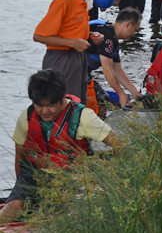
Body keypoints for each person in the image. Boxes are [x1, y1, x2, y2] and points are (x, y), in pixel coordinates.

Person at [0, 69, 119, 223]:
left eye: (50, 105)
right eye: (39, 105)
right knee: (14, 206)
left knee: (47, 215)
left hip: (69, 177)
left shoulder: (83, 117)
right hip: (34, 175)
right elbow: (20, 157)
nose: (44, 111)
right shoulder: (27, 116)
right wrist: (22, 192)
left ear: (62, 99)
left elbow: (119, 144)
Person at [33, 0, 106, 103]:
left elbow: (70, 30)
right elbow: (39, 35)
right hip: (61, 59)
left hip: (78, 57)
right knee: (62, 105)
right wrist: (73, 43)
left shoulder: (83, 1)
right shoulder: (64, 1)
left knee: (78, 105)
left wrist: (90, 36)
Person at [86, 7, 143, 108]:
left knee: (105, 98)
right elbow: (107, 70)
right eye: (135, 30)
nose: (133, 34)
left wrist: (136, 94)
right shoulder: (105, 36)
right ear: (128, 24)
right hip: (72, 73)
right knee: (102, 101)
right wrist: (121, 94)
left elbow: (117, 70)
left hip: (83, 75)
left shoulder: (112, 39)